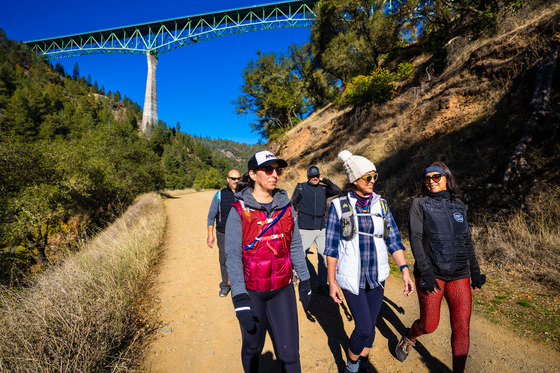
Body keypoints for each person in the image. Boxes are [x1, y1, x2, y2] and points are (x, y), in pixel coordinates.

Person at [325, 150, 415, 373]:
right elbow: (331, 247)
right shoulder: (338, 207)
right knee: (364, 327)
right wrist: (331, 281)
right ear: (355, 180)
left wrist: (404, 270)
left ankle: (363, 364)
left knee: (370, 326)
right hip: (350, 276)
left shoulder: (382, 205)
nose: (373, 181)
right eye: (368, 177)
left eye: (375, 176)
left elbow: (393, 239)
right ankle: (351, 366)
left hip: (377, 276)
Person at [225, 150, 311, 373]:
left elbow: (295, 245)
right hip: (253, 292)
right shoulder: (239, 211)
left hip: (283, 290)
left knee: (290, 354)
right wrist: (240, 297)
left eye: (278, 170)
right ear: (253, 174)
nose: (275, 174)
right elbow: (232, 256)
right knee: (253, 347)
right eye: (268, 169)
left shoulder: (287, 207)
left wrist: (306, 279)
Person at [395, 161, 486, 373]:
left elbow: (467, 239)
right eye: (427, 178)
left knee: (462, 328)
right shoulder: (419, 204)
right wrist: (425, 272)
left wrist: (475, 271)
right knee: (429, 324)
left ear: (447, 178)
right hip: (432, 274)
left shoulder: (458, 205)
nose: (431, 181)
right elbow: (415, 239)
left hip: (459, 274)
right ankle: (410, 336)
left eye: (436, 177)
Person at [291, 165, 340, 293]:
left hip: (321, 228)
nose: (315, 178)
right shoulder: (301, 187)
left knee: (324, 257)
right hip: (304, 228)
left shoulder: (324, 189)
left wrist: (326, 181)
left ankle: (322, 284)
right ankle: (295, 276)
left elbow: (336, 190)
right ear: (308, 177)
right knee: (300, 254)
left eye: (317, 176)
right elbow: (292, 204)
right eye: (312, 176)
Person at [207, 169, 241, 297]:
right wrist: (210, 235)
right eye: (233, 178)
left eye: (238, 178)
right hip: (223, 232)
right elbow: (211, 215)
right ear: (228, 179)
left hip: (241, 233)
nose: (236, 181)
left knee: (242, 258)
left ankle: (241, 284)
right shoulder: (219, 195)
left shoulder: (244, 194)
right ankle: (226, 285)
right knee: (224, 259)